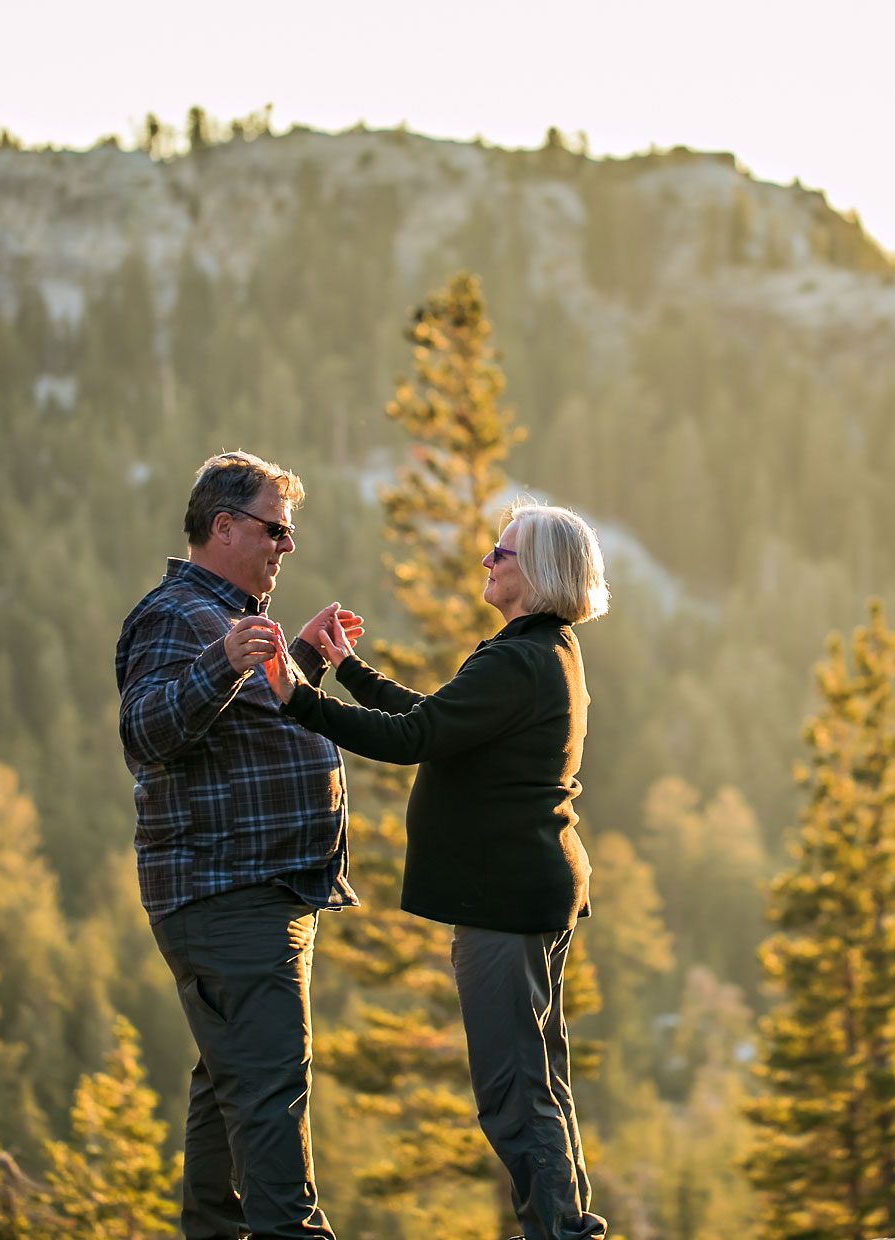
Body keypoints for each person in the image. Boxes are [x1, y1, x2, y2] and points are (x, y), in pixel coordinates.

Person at [261, 502, 611, 1240]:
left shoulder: (518, 659)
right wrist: (351, 670)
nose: (487, 561)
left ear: (539, 572)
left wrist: (299, 698)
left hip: (505, 903)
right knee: (539, 1083)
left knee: (514, 1094)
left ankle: (559, 1232)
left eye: (501, 554)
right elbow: (442, 722)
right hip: (533, 892)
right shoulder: (544, 654)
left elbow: (414, 737)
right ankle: (565, 1225)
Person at [115, 450, 365, 1239]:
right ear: (223, 527)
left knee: (230, 1101)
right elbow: (146, 733)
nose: (285, 546)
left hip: (253, 898)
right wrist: (224, 662)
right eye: (275, 530)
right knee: (268, 1104)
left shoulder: (228, 622)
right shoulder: (176, 615)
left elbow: (254, 736)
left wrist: (308, 668)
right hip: (229, 900)